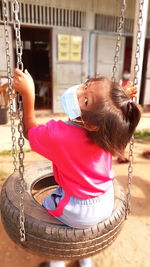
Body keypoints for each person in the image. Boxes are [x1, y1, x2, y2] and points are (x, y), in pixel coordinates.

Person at [12, 69, 141, 267]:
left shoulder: (58, 136)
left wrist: (28, 94)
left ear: (92, 125)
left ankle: (57, 262)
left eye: (86, 100)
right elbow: (107, 107)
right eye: (86, 85)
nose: (78, 92)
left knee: (52, 215)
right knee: (84, 231)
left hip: (77, 209)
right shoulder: (110, 129)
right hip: (105, 201)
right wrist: (121, 99)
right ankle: (85, 258)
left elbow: (30, 130)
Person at [117, 69, 137, 163]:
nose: (126, 74)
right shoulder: (120, 83)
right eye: (125, 73)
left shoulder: (131, 83)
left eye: (127, 73)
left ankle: (121, 156)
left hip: (127, 112)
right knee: (121, 136)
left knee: (124, 137)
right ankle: (121, 156)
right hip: (121, 112)